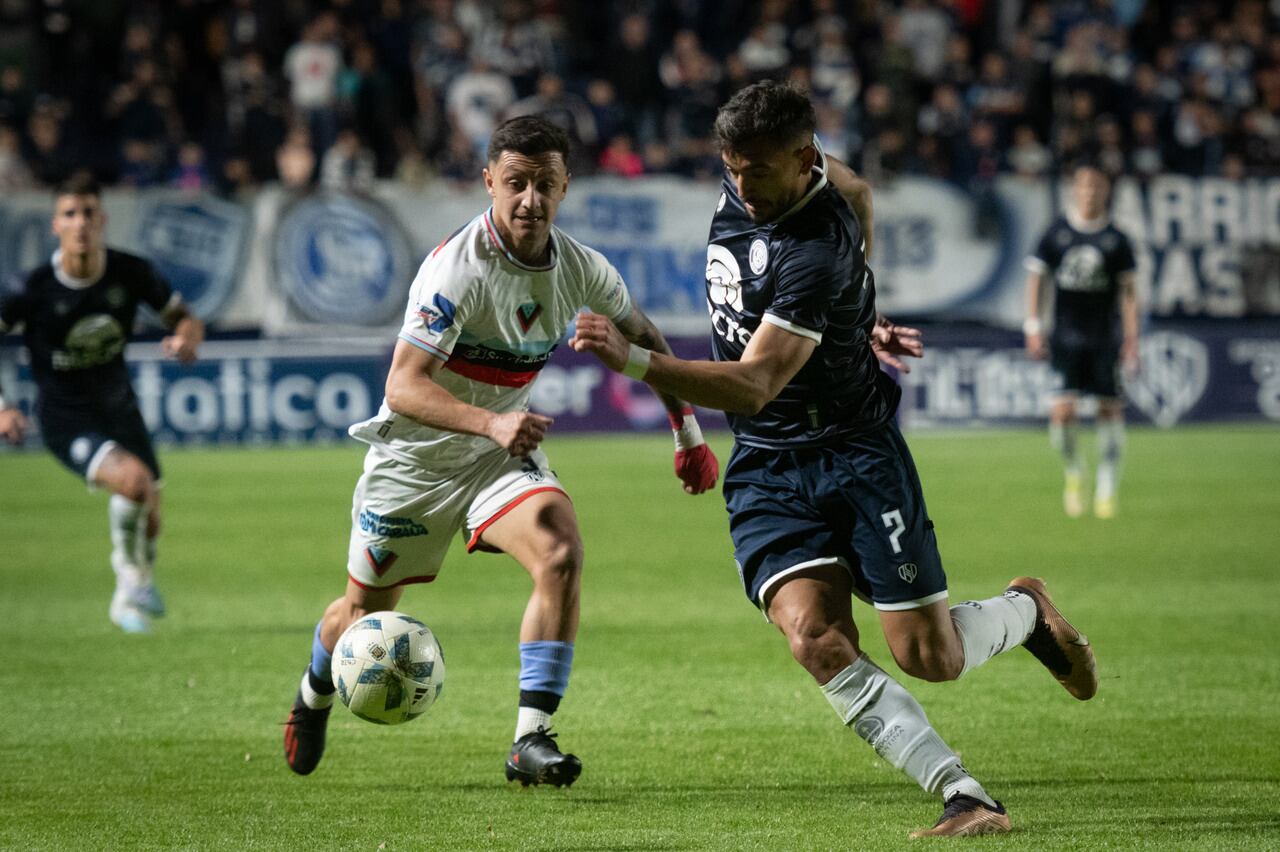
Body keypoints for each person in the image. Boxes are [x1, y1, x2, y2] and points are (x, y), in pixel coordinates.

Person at [570, 81, 1097, 838]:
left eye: (758, 170)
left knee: (930, 656)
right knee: (814, 638)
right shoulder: (781, 180)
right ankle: (963, 793)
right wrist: (862, 312)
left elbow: (752, 384)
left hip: (854, 452)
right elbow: (861, 189)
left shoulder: (815, 250)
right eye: (732, 167)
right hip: (768, 464)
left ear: (803, 159)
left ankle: (1026, 612)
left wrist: (634, 360)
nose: (742, 185)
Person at [282, 116, 719, 786]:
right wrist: (488, 424)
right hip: (415, 465)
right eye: (516, 183)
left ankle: (529, 739)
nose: (530, 200)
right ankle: (312, 697)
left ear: (565, 186)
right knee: (365, 614)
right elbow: (402, 386)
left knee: (560, 549)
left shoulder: (582, 269)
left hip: (497, 458)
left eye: (545, 184)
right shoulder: (457, 270)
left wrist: (684, 429)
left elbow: (647, 335)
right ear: (489, 181)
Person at [0, 171, 205, 633]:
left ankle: (138, 581)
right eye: (69, 214)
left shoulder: (130, 272)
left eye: (88, 213)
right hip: (65, 419)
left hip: (120, 409)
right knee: (132, 483)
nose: (80, 223)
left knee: (150, 515)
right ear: (55, 225)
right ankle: (126, 588)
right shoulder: (28, 289)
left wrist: (186, 339)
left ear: (103, 219)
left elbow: (186, 318)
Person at [1024, 162, 1139, 519]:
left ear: (1105, 190)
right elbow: (1036, 280)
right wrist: (1032, 326)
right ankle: (1075, 472)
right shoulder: (1056, 234)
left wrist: (1133, 338)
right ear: (1074, 189)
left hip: (1105, 338)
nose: (1089, 192)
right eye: (1084, 185)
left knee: (1109, 410)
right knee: (1061, 413)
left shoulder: (1117, 239)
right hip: (1066, 338)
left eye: (1096, 185)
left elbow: (1129, 293)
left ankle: (1107, 483)